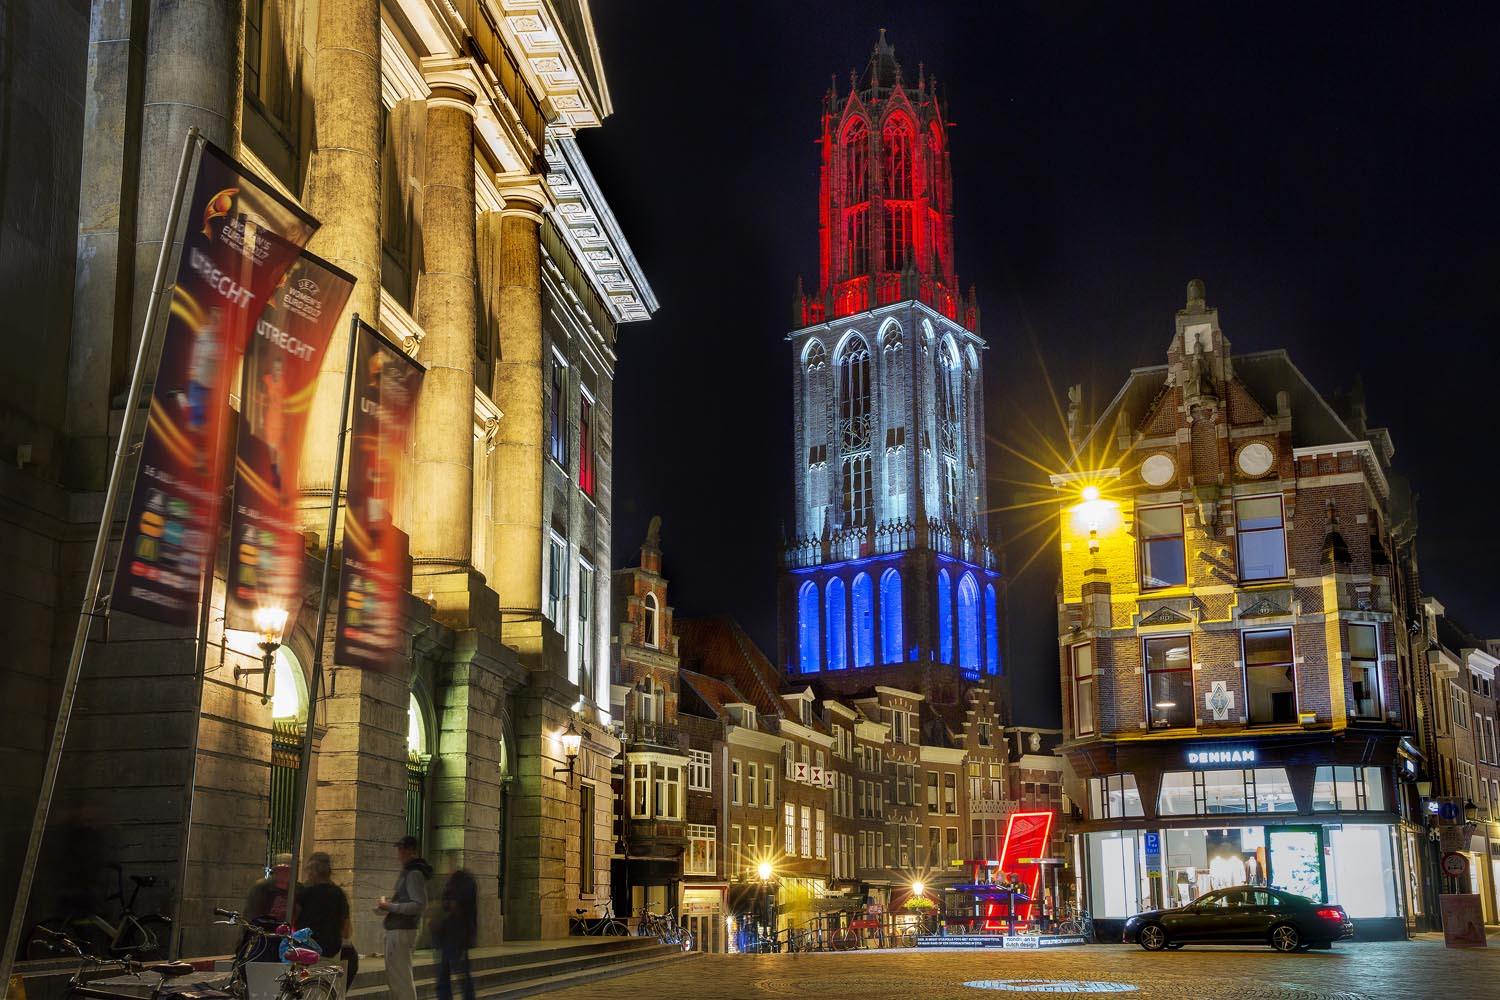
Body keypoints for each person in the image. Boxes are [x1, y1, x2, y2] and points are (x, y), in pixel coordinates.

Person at [378, 836, 431, 1000]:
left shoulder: (414, 873)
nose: (399, 853)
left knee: (401, 980)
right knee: (396, 980)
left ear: (410, 851)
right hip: (398, 928)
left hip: (402, 931)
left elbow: (419, 904)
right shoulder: (409, 871)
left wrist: (391, 907)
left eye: (401, 849)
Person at [295, 853, 350, 965]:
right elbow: (346, 927)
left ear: (313, 871)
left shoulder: (305, 893)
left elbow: (293, 918)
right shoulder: (339, 893)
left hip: (307, 945)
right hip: (332, 947)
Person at [435, 869, 477, 1000]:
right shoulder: (455, 884)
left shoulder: (465, 883)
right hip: (448, 936)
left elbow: (457, 907)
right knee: (445, 977)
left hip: (457, 937)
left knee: (459, 977)